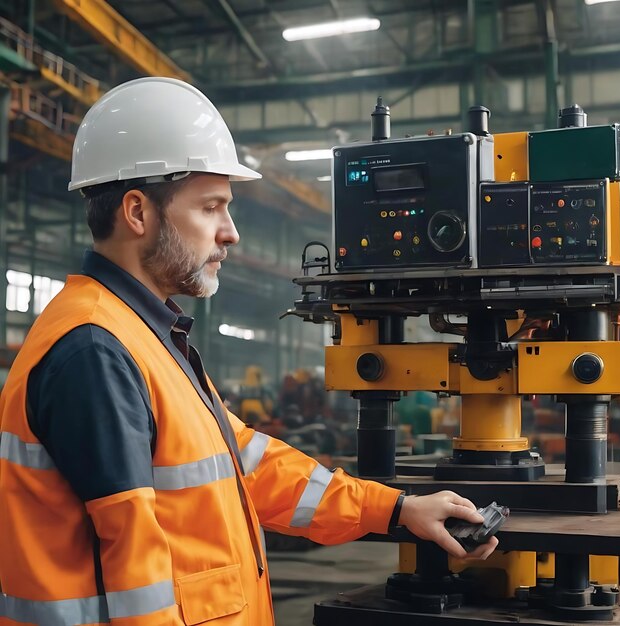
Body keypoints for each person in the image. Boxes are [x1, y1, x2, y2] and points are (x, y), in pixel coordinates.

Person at [0, 78, 497, 626]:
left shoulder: (142, 334)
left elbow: (249, 465)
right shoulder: (96, 352)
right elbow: (136, 579)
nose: (230, 233)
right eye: (212, 207)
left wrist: (396, 509)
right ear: (137, 213)